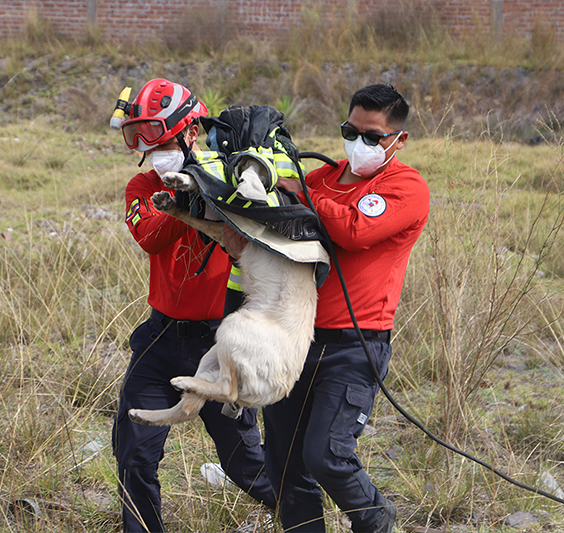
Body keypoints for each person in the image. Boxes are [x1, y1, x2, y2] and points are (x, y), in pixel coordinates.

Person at [263, 84, 430, 533]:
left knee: (327, 453)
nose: (359, 143)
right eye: (350, 131)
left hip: (354, 346)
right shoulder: (323, 177)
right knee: (284, 461)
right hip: (295, 339)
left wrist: (302, 193)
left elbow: (354, 230)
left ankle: (374, 519)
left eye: (372, 136)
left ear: (399, 139)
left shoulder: (405, 187)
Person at [112, 78, 277, 532]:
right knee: (134, 453)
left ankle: (306, 520)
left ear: (190, 133)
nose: (154, 151)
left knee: (246, 466)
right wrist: (185, 194)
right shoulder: (142, 187)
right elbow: (150, 236)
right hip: (160, 338)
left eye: (164, 140)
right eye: (147, 142)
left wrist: (216, 186)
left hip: (221, 343)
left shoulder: (230, 179)